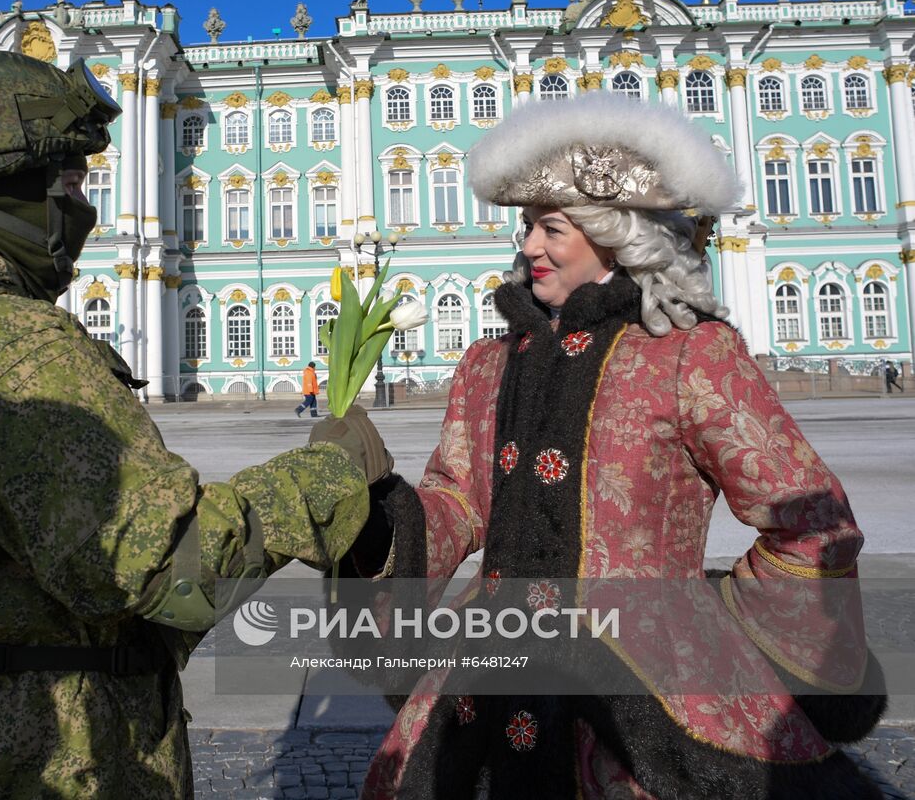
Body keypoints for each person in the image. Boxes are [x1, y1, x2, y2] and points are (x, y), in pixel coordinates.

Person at [0, 49, 393, 799]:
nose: (81, 206)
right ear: (11, 183)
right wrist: (332, 472)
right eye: (69, 183)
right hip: (47, 758)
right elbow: (172, 565)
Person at [344, 93, 886, 799]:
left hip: (650, 681)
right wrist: (371, 512)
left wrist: (715, 621)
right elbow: (457, 500)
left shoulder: (689, 355)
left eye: (552, 228)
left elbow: (807, 520)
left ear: (614, 235)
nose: (528, 246)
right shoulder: (487, 364)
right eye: (526, 227)